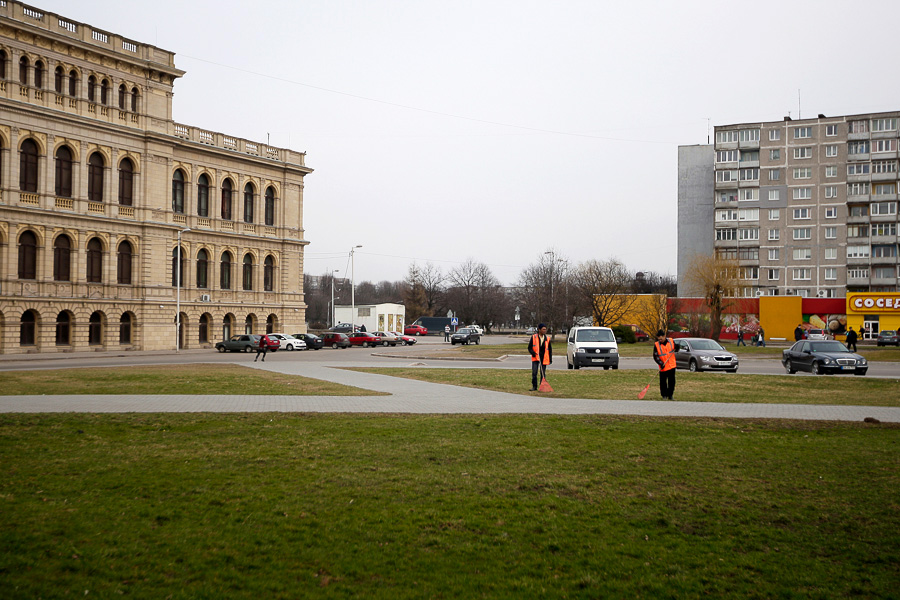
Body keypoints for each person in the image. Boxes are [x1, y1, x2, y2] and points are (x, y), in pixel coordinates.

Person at [653, 329, 676, 400]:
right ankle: (664, 395)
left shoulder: (671, 341)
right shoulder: (656, 345)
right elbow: (655, 356)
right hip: (663, 367)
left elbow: (676, 348)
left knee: (672, 382)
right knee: (663, 382)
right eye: (659, 339)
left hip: (672, 366)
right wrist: (660, 363)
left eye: (661, 339)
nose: (660, 340)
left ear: (664, 336)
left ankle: (670, 395)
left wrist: (677, 347)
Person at [528, 324, 552, 391]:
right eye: (543, 329)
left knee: (543, 373)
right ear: (539, 330)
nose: (545, 331)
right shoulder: (534, 337)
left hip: (544, 358)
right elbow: (529, 348)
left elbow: (550, 350)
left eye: (545, 329)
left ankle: (542, 387)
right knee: (534, 373)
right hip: (536, 357)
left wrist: (550, 359)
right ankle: (534, 387)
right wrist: (533, 353)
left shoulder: (547, 338)